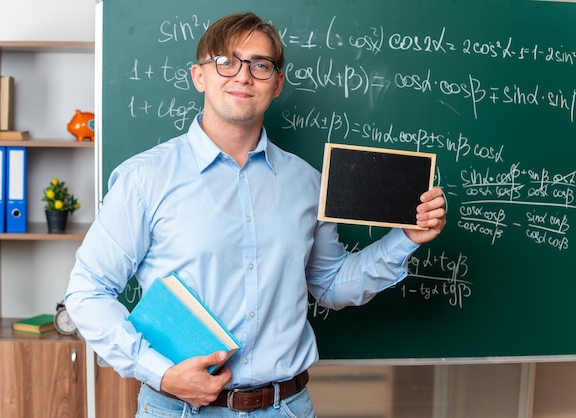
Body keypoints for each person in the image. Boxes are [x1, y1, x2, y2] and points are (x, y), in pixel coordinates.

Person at [65, 11, 446, 417]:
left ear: (277, 83)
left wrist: (404, 239)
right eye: (226, 62)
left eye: (260, 65)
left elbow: (331, 284)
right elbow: (87, 291)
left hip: (286, 407)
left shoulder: (307, 183)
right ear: (199, 76)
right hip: (177, 409)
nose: (243, 76)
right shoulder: (145, 179)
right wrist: (160, 372)